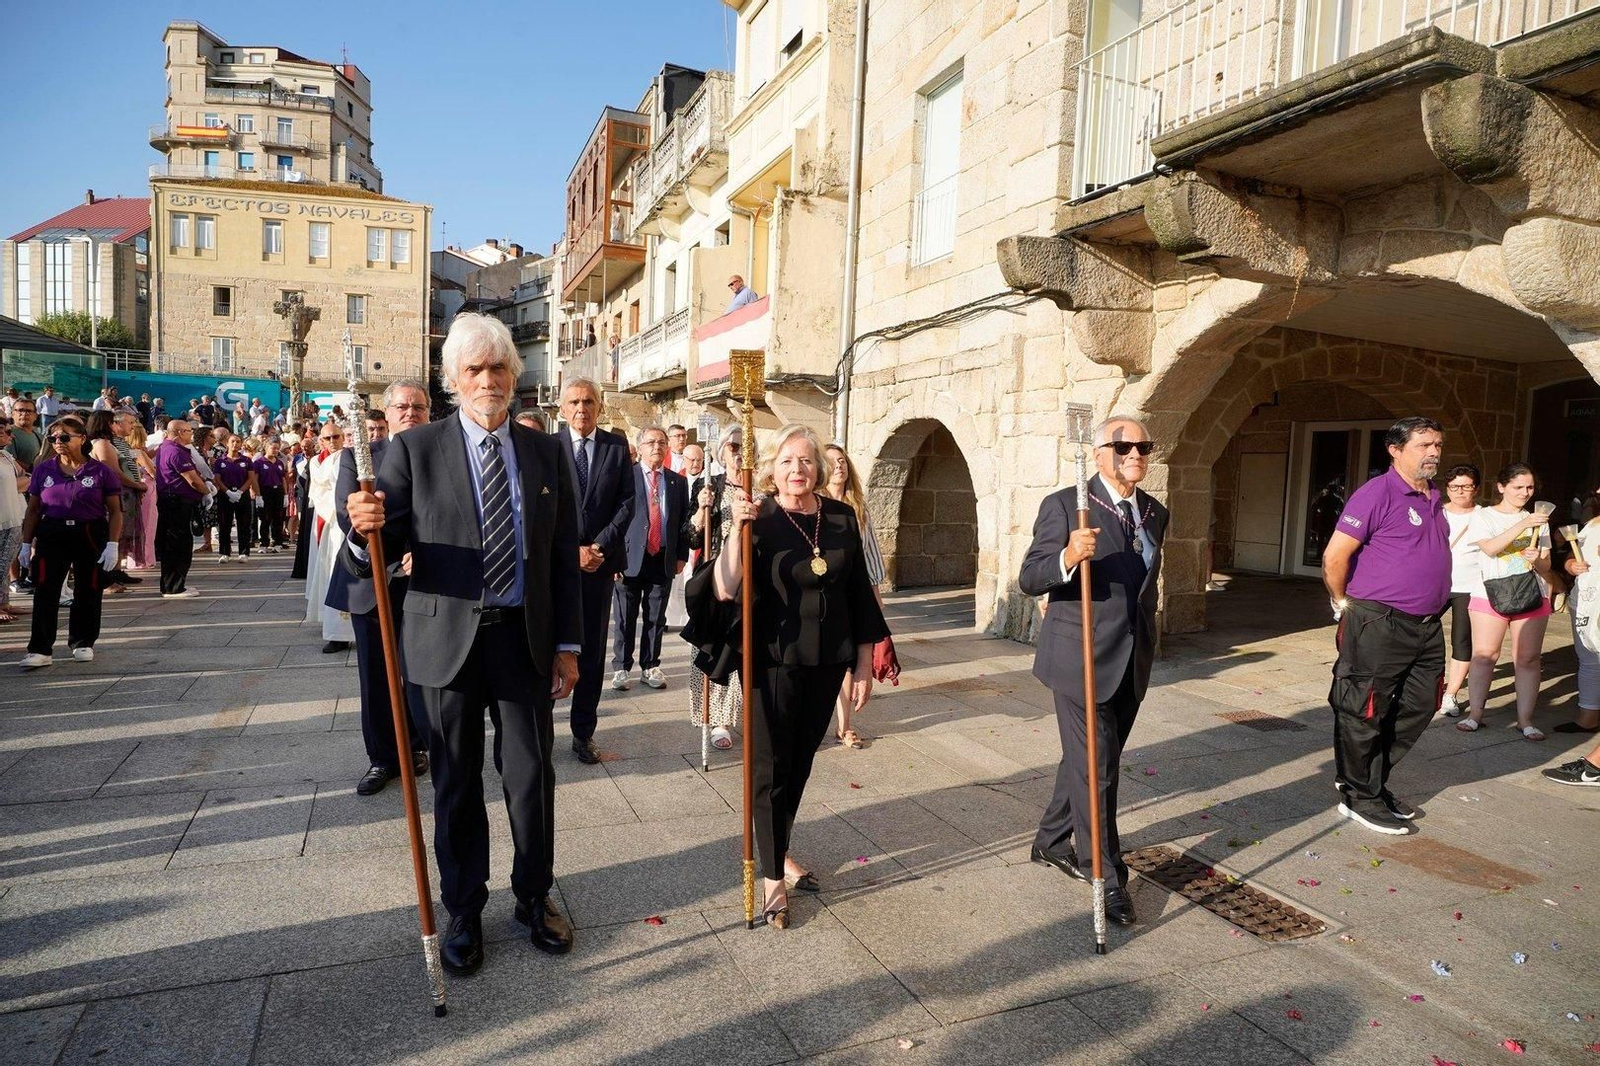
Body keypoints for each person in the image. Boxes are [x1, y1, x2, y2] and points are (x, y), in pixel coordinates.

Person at [342, 312, 581, 974]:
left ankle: (534, 898)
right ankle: (464, 910)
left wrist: (570, 644)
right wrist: (361, 524)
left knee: (532, 778)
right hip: (444, 646)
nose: (486, 379)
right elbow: (378, 539)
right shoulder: (416, 449)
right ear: (453, 379)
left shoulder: (545, 452)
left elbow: (563, 554)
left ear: (515, 375)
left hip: (522, 643)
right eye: (472, 369)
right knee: (454, 782)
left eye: (497, 366)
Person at [705, 423, 888, 927]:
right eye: (787, 461)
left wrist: (864, 662)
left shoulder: (842, 518)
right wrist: (733, 533)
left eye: (806, 461)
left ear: (821, 469)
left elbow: (858, 594)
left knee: (800, 764)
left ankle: (777, 848)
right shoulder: (758, 517)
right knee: (769, 768)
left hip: (828, 660)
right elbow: (723, 588)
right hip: (771, 661)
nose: (797, 470)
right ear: (771, 470)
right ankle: (770, 877)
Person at [1019, 416, 1167, 926]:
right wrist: (1066, 555)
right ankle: (1105, 874)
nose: (1137, 454)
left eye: (1144, 446)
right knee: (1098, 769)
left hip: (1132, 659)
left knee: (1088, 762)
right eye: (1124, 445)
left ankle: (1052, 839)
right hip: (1078, 659)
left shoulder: (1154, 511)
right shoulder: (1066, 505)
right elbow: (1029, 577)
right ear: (1100, 452)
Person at [1322, 416, 1450, 835]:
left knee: (1420, 705)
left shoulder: (1433, 497)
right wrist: (1344, 603)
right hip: (1379, 621)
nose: (1433, 452)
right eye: (1424, 445)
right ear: (1395, 450)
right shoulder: (1375, 493)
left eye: (1437, 445)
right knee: (1364, 709)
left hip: (1427, 625)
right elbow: (1335, 556)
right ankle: (1359, 795)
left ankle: (1372, 783)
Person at [326, 384, 432, 796]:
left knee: (422, 673)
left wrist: (422, 553)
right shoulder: (361, 457)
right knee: (377, 675)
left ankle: (418, 744)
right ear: (387, 414)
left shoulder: (443, 455)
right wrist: (389, 554)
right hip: (372, 582)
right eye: (402, 406)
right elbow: (346, 512)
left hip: (427, 585)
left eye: (418, 407)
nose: (410, 412)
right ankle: (383, 758)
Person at [554, 377, 634, 764]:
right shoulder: (547, 448)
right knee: (546, 648)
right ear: (562, 408)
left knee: (590, 655)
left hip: (599, 568)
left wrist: (598, 547)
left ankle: (583, 734)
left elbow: (626, 504)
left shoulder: (616, 447)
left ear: (599, 407)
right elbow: (539, 511)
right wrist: (572, 551)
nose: (581, 409)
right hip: (556, 569)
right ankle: (537, 729)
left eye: (588, 401)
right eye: (574, 402)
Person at [1456, 463, 1553, 739]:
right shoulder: (1484, 516)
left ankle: (1525, 720)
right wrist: (1523, 523)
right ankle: (1475, 715)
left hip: (1530, 593)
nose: (1525, 493)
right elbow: (1490, 548)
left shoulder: (1540, 519)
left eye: (1530, 487)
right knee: (1485, 656)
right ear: (1501, 487)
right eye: (1518, 487)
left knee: (1528, 658)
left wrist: (1540, 560)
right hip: (1490, 592)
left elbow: (1547, 565)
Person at [18, 415, 123, 668]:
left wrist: (112, 544)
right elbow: (33, 509)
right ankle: (40, 649)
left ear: (82, 439)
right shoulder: (44, 469)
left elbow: (116, 510)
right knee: (45, 589)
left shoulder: (99, 471)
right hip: (52, 533)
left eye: (65, 437)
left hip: (89, 532)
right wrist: (25, 542)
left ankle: (83, 641)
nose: (58, 442)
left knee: (88, 588)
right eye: (53, 438)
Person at [610, 427, 690, 691]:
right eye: (651, 442)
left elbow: (682, 522)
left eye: (662, 442)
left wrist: (681, 555)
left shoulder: (677, 482)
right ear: (640, 447)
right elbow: (613, 520)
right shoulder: (625, 477)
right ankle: (621, 667)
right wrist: (612, 557)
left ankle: (650, 665)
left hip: (662, 557)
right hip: (629, 557)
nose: (657, 446)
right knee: (625, 617)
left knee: (655, 617)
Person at [822, 443, 890, 749]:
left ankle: (845, 725)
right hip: (822, 596)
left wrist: (875, 604)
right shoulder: (814, 506)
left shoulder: (858, 509)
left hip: (852, 595)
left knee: (848, 660)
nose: (839, 466)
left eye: (842, 461)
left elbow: (872, 561)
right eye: (832, 462)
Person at [685, 432, 741, 750]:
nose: (739, 453)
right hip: (715, 578)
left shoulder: (760, 486)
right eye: (732, 447)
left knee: (740, 647)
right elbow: (691, 537)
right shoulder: (708, 485)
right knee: (711, 648)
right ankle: (713, 717)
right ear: (720, 453)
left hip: (750, 580)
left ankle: (728, 718)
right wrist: (700, 512)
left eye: (745, 446)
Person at [305, 419, 354, 652]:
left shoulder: (348, 457)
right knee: (326, 571)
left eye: (336, 437)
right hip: (325, 520)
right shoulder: (316, 461)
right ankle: (334, 630)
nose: (333, 441)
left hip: (343, 518)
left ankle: (346, 630)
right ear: (320, 440)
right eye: (327, 438)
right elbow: (316, 489)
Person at [83, 411, 145, 592]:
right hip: (113, 495)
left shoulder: (108, 443)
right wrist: (137, 485)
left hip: (122, 494)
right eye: (112, 422)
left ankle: (115, 572)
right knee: (111, 535)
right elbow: (113, 472)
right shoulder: (102, 444)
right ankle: (106, 578)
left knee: (120, 535)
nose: (115, 425)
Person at [1438, 464, 1482, 717]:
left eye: (1466, 486)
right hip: (1435, 583)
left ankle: (1450, 694)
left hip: (1469, 586)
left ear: (1475, 489)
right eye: (1454, 487)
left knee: (1462, 641)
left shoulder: (1484, 516)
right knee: (1418, 634)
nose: (1460, 492)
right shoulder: (1437, 512)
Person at [155, 420, 207, 598]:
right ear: (178, 432)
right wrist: (207, 492)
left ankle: (174, 584)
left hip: (174, 501)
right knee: (178, 544)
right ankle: (173, 587)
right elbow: (192, 479)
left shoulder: (167, 447)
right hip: (176, 502)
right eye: (188, 431)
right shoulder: (175, 451)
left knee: (177, 543)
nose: (191, 434)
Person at [665, 443, 705, 630]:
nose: (695, 463)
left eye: (699, 460)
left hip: (697, 535)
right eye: (692, 459)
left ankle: (691, 619)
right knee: (676, 579)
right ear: (684, 460)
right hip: (680, 533)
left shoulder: (708, 480)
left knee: (693, 577)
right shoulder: (676, 478)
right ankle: (670, 618)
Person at [213, 433, 259, 564]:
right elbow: (217, 478)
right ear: (227, 443)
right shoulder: (220, 461)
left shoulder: (246, 461)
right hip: (225, 495)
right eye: (232, 441)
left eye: (238, 442)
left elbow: (250, 478)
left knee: (244, 523)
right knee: (224, 524)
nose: (235, 444)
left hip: (241, 494)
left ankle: (243, 552)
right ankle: (224, 552)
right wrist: (227, 491)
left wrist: (240, 491)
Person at [0, 419, 28, 623]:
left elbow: (26, 478)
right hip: (2, 517)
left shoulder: (6, 455)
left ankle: (4, 602)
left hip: (14, 516)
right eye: (4, 431)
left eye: (9, 431)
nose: (10, 435)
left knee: (7, 560)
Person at [124, 421, 159, 571]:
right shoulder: (138, 452)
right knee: (147, 524)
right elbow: (152, 471)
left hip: (137, 488)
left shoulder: (129, 450)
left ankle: (136, 557)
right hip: (147, 487)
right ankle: (144, 558)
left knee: (139, 524)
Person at [253, 437, 290, 553]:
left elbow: (283, 479)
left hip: (277, 491)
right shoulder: (259, 463)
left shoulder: (279, 463)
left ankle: (277, 542)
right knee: (265, 518)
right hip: (265, 491)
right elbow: (255, 479)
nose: (275, 451)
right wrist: (258, 495)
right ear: (266, 448)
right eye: (272, 448)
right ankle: (264, 543)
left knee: (278, 518)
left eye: (277, 449)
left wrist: (285, 494)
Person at [7, 397, 46, 472]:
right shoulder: (7, 433)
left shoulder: (40, 437)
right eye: (20, 410)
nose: (24, 414)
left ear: (35, 416)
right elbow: (9, 460)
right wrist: (33, 471)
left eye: (29, 411)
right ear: (12, 414)